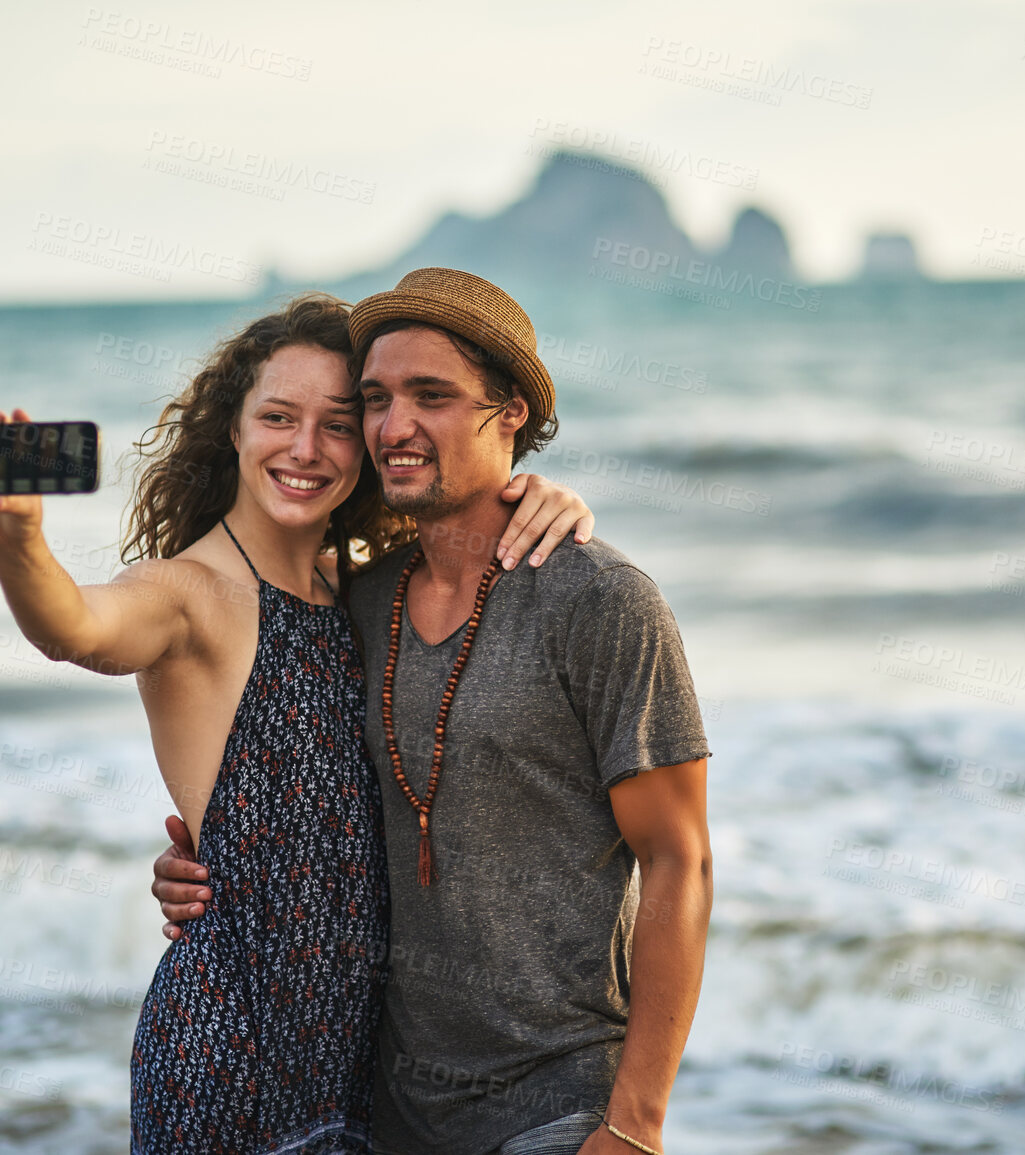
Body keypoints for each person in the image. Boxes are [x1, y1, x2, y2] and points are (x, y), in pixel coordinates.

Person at [0, 292, 596, 1154]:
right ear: (233, 430)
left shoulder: (364, 589)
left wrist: (540, 495)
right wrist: (18, 546)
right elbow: (78, 627)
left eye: (337, 423)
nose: (306, 448)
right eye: (278, 417)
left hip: (357, 1061)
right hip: (228, 1047)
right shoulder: (189, 591)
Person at [152, 269, 714, 1155]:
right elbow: (295, 781)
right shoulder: (357, 600)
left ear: (511, 411)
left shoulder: (600, 601)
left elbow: (679, 858)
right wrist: (214, 872)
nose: (393, 427)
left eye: (432, 396)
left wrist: (634, 1125)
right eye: (374, 399)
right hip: (383, 1113)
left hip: (557, 1104)